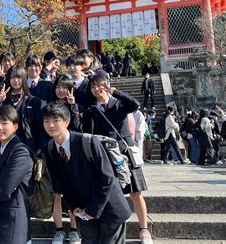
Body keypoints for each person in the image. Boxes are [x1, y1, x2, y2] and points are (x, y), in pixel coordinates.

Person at [44, 102, 131, 244]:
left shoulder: (88, 142)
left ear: (66, 122)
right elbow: (62, 182)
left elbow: (107, 178)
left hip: (109, 209)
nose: (51, 125)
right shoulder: (50, 149)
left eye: (55, 120)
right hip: (84, 212)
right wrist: (74, 206)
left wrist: (92, 210)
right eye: (47, 121)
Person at [82, 75, 153, 244]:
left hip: (125, 154)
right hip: (106, 155)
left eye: (100, 85)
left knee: (135, 192)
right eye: (93, 87)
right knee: (113, 193)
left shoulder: (119, 104)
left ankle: (144, 230)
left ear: (107, 85)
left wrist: (116, 92)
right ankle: (115, 229)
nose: (96, 89)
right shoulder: (93, 110)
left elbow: (135, 104)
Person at [0, 105, 34, 244]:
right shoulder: (0, 148)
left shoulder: (20, 152)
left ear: (15, 126)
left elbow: (4, 189)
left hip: (12, 220)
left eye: (4, 123)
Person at [50, 75, 80, 243]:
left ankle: (74, 230)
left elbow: (78, 126)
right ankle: (59, 230)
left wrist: (73, 105)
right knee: (57, 194)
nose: (61, 90)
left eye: (64, 87)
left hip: (72, 155)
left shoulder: (74, 107)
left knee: (73, 194)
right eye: (58, 87)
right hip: (55, 153)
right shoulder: (50, 107)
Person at [0, 65, 45, 153]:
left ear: (24, 79)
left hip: (27, 147)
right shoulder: (3, 100)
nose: (16, 80)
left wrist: (39, 151)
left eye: (19, 77)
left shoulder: (34, 101)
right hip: (4, 146)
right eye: (13, 77)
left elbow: (40, 129)